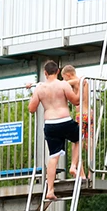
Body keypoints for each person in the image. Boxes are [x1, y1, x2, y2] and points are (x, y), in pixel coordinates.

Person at [28, 60, 81, 201]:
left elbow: (31, 109)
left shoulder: (40, 88)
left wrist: (33, 93)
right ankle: (73, 166)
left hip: (50, 124)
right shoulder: (63, 85)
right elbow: (76, 101)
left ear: (45, 73)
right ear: (57, 71)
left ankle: (50, 189)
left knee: (53, 156)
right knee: (79, 137)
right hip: (64, 120)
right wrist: (79, 87)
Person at [61, 64, 93, 177]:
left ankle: (80, 172)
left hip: (81, 115)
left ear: (68, 75)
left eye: (64, 78)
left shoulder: (75, 81)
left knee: (76, 143)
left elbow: (61, 85)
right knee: (89, 144)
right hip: (90, 113)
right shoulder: (84, 81)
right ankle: (91, 173)